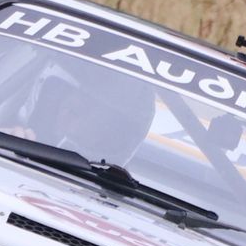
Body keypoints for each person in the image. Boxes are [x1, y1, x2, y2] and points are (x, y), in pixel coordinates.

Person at [9, 55, 157, 165]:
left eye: (98, 123)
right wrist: (7, 144)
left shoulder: (112, 193)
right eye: (73, 110)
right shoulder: (12, 139)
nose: (73, 126)